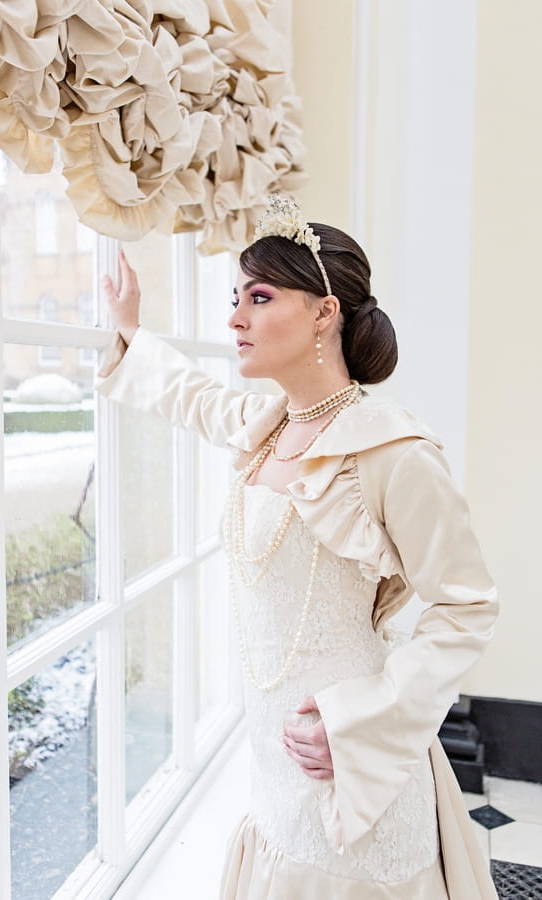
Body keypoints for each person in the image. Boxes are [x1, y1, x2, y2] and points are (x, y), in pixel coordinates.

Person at [96, 195, 499, 899]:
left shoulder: (392, 451)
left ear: (324, 312)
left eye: (259, 296)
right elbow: (191, 396)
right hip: (271, 763)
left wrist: (361, 721)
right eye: (235, 297)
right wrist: (132, 332)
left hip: (350, 766)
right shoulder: (269, 423)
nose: (235, 318)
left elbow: (467, 609)